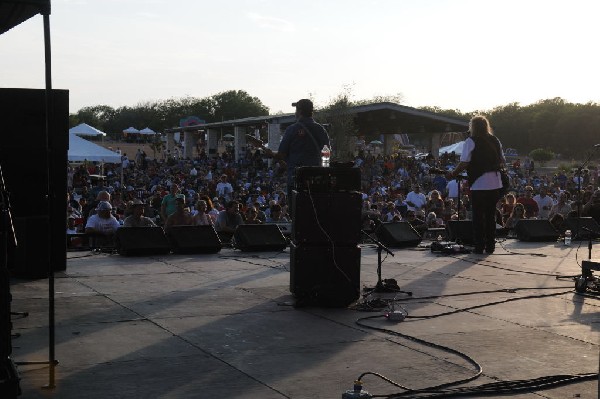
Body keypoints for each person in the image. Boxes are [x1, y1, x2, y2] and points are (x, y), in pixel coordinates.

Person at [446, 115, 505, 254]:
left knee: (478, 217)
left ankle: (479, 246)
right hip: (495, 182)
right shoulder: (495, 140)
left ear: (473, 127)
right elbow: (502, 160)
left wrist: (453, 174)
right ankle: (490, 246)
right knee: (490, 216)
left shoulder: (470, 141)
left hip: (479, 183)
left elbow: (464, 162)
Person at [266, 99, 330, 199]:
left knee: (297, 211)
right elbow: (327, 153)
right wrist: (323, 169)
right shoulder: (320, 129)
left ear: (299, 111)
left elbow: (281, 154)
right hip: (317, 179)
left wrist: (272, 154)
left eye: (296, 110)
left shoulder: (292, 129)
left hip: (297, 179)